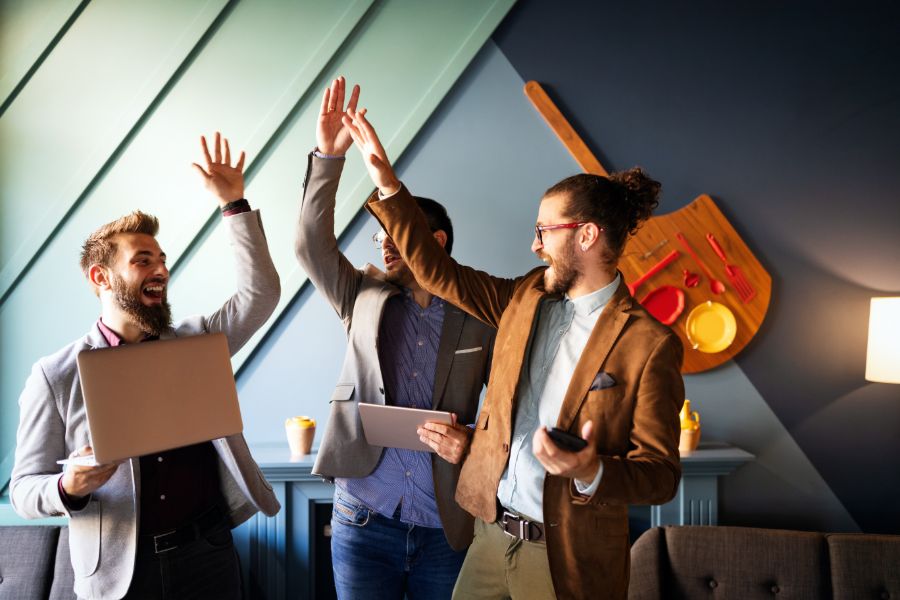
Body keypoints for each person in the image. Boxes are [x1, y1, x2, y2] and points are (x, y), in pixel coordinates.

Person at [342, 108, 684, 600]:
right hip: (488, 535)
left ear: (586, 235)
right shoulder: (525, 296)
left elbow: (661, 475)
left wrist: (591, 471)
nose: (534, 244)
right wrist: (387, 183)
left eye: (545, 231)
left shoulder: (649, 344)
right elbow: (440, 273)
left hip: (563, 560)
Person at [10, 133, 281, 600]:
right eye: (142, 261)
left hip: (209, 555)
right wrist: (67, 486)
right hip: (120, 576)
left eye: (162, 260)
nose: (160, 270)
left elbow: (260, 297)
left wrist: (234, 204)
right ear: (101, 277)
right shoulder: (55, 376)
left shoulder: (197, 344)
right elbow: (23, 490)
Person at [295, 77, 496, 600]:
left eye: (397, 235)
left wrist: (473, 438)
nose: (385, 245)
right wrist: (327, 160)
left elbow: (508, 405)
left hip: (445, 526)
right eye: (380, 235)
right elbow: (309, 245)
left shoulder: (483, 312)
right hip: (363, 516)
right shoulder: (359, 295)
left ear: (436, 242)